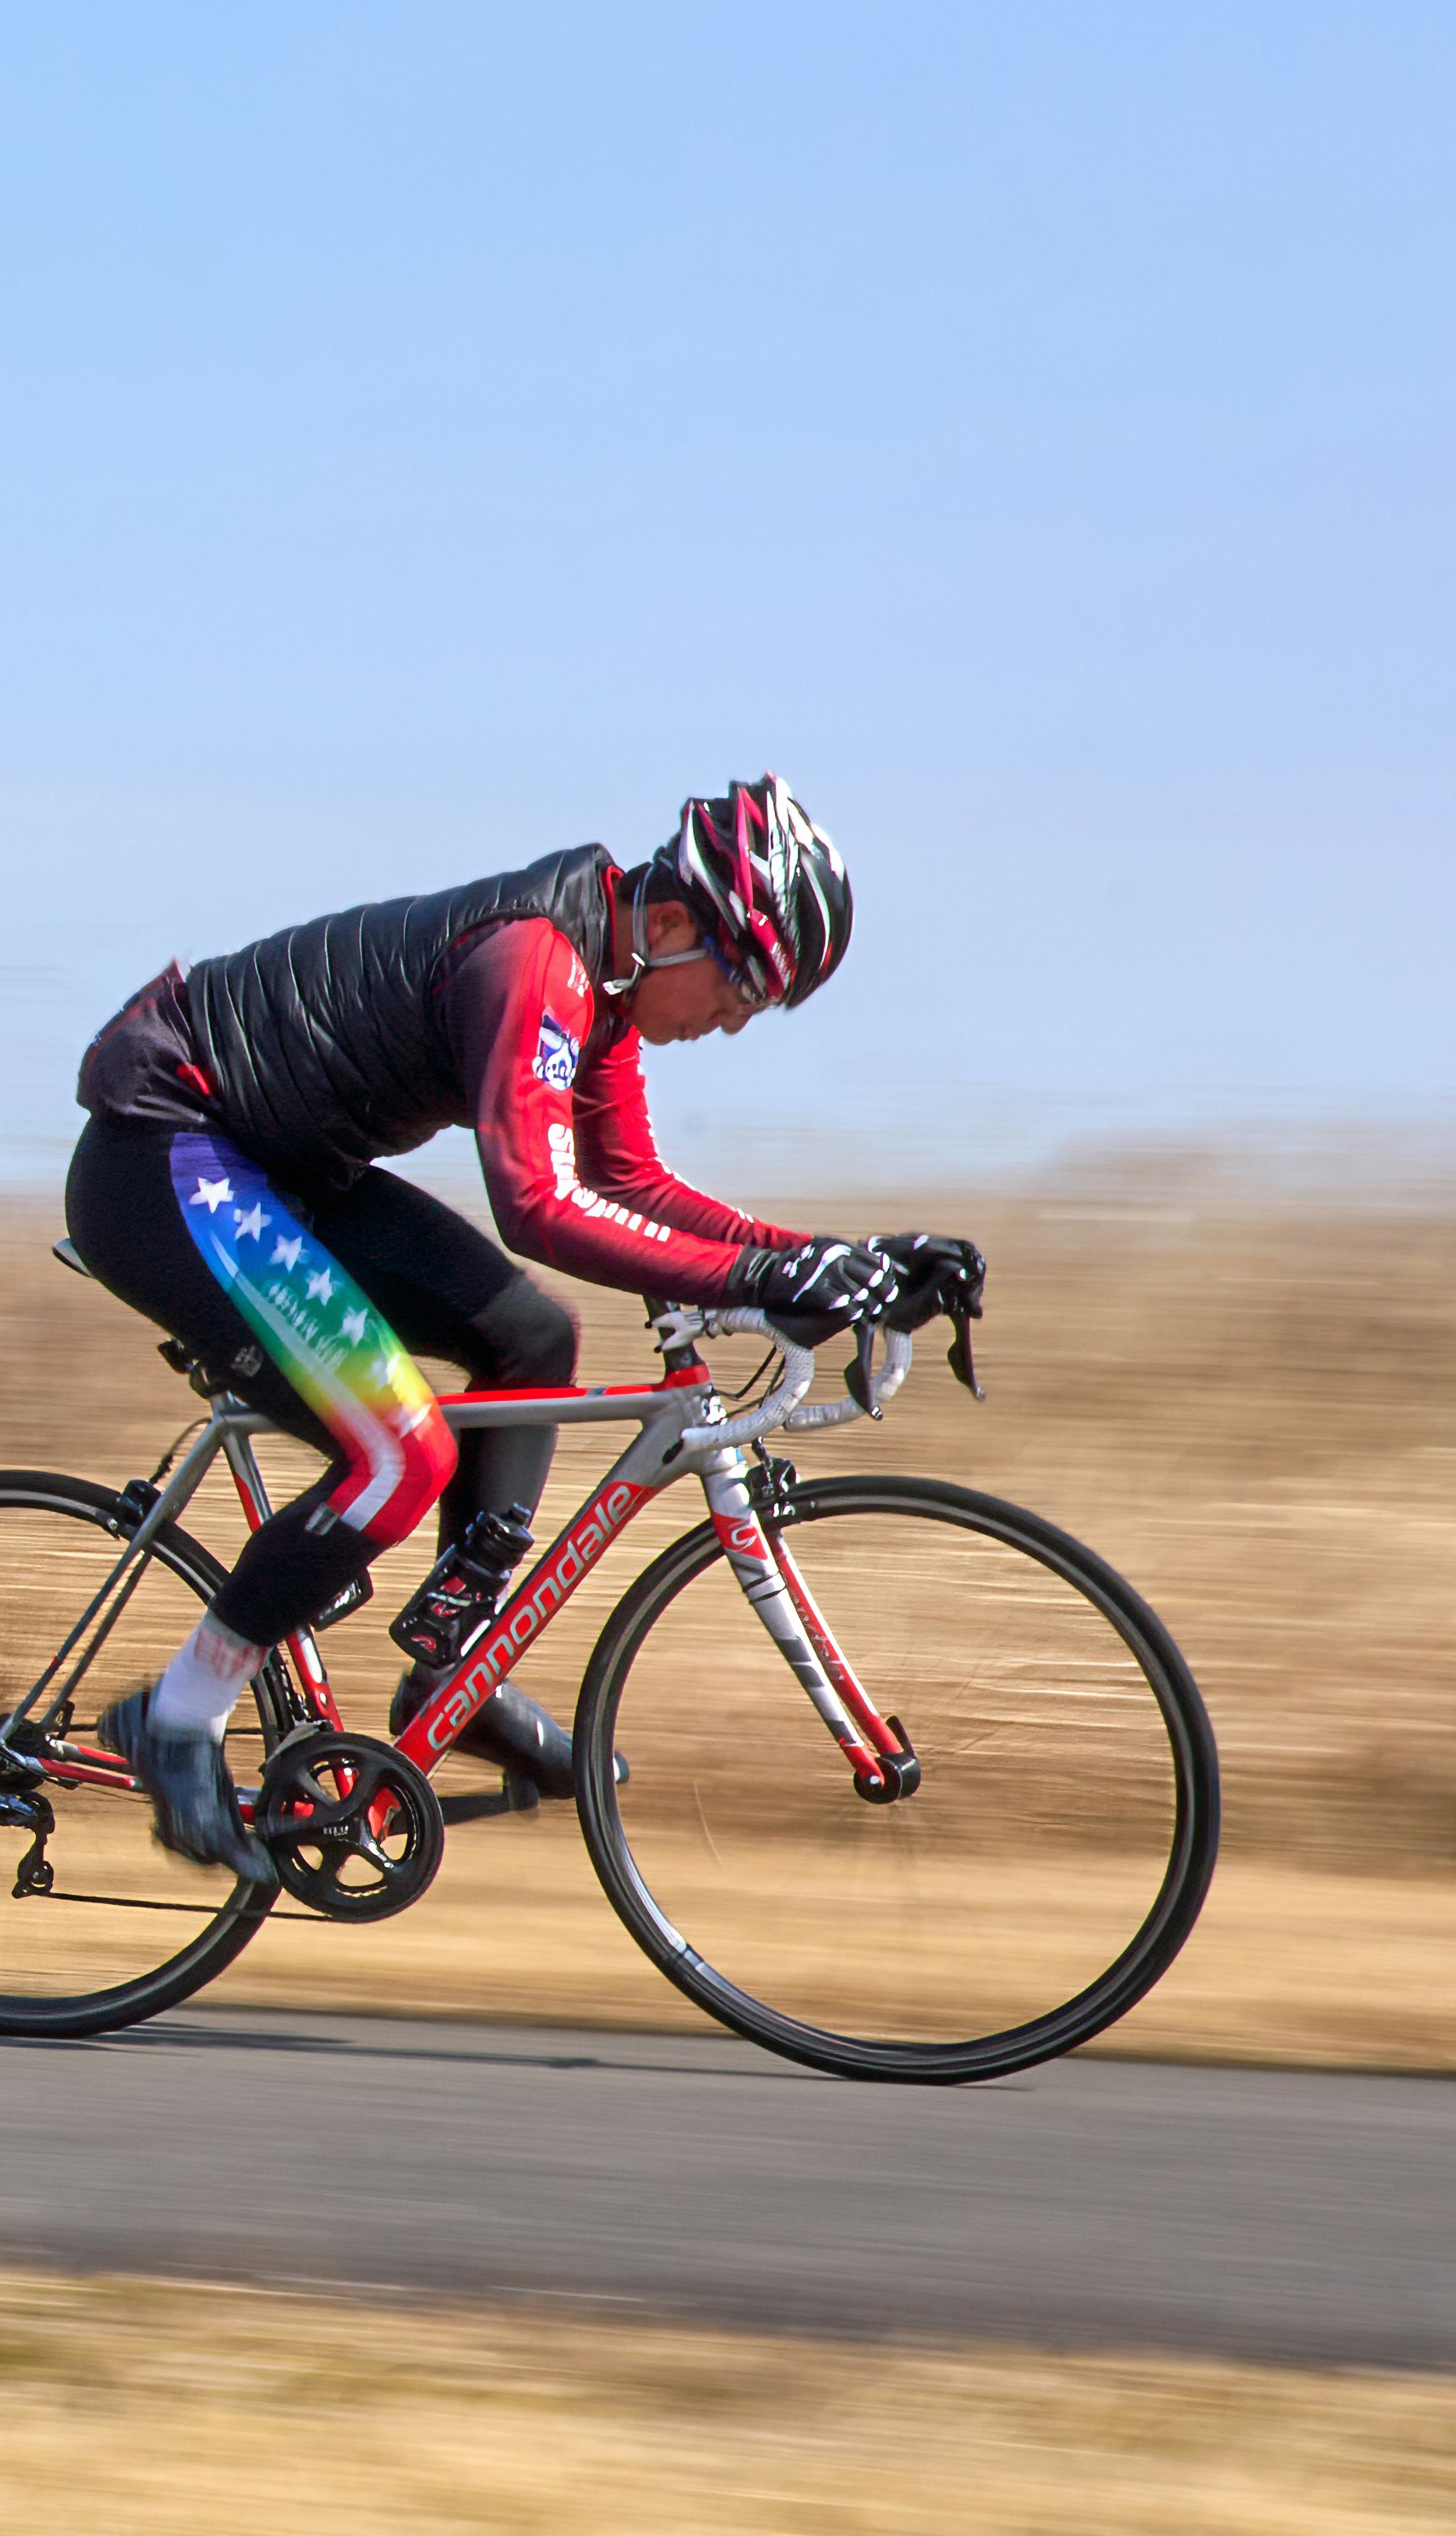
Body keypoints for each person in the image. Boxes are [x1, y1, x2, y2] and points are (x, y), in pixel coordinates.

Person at [60, 774, 980, 1872]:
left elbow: (630, 1184)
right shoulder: (534, 960)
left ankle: (455, 1671)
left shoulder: (601, 987)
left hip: (282, 1170)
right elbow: (539, 1208)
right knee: (400, 1454)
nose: (727, 1026)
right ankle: (175, 1718)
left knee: (530, 1340)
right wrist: (764, 1280)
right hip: (167, 1154)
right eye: (736, 995)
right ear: (679, 925)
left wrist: (835, 1260)